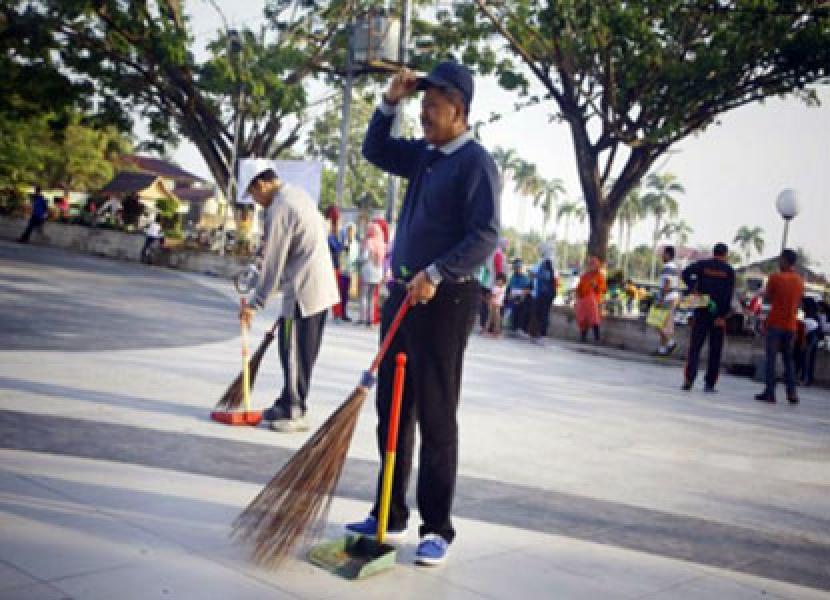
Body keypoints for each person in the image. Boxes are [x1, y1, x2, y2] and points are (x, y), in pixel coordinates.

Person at [345, 61, 499, 566]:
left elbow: (484, 236)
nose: (425, 116)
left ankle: (437, 528)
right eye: (423, 106)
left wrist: (436, 272)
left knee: (436, 414)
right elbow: (375, 150)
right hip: (403, 295)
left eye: (433, 107)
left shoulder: (474, 163)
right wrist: (391, 101)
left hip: (445, 300)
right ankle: (387, 511)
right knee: (392, 410)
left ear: (459, 111)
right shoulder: (425, 156)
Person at [237, 160, 340, 431]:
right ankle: (287, 401)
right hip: (319, 289)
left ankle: (294, 410)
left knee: (292, 352)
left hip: (304, 293)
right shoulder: (296, 194)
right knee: (300, 352)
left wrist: (255, 304)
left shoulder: (279, 208)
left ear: (262, 184)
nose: (256, 202)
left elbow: (274, 263)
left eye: (254, 195)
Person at [681, 243, 736, 392]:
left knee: (695, 348)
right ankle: (709, 384)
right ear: (725, 254)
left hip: (701, 309)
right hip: (718, 315)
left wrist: (694, 288)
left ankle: (689, 380)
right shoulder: (729, 271)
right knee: (715, 351)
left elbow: (685, 273)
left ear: (714, 252)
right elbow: (728, 295)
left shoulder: (702, 265)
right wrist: (722, 316)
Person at [755, 249, 804, 404]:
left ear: (784, 261)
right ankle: (792, 393)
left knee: (771, 359)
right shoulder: (799, 281)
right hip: (791, 325)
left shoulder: (776, 277)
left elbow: (769, 296)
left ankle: (770, 392)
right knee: (788, 361)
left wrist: (762, 293)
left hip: (776, 323)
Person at [574, 256, 607, 343]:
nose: (592, 266)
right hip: (584, 301)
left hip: (595, 302)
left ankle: (597, 338)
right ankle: (583, 337)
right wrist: (577, 297)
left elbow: (603, 290)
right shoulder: (585, 276)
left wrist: (596, 286)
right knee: (583, 320)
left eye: (594, 264)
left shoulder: (600, 276)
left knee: (595, 320)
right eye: (591, 264)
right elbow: (579, 288)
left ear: (597, 266)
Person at [655, 246, 680, 355]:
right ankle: (662, 349)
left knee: (657, 322)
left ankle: (670, 343)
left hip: (668, 297)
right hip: (671, 297)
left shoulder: (668, 267)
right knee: (663, 324)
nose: (662, 255)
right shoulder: (673, 266)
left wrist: (661, 298)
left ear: (669, 255)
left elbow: (667, 283)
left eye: (664, 253)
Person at [359, 222, 385, 326]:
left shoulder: (368, 242)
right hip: (377, 271)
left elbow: (364, 257)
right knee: (372, 297)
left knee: (364, 295)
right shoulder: (381, 242)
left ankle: (363, 318)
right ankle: (370, 319)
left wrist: (359, 259)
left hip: (368, 270)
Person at [505, 258, 533, 334]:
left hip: (521, 299)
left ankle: (520, 327)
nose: (517, 269)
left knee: (523, 305)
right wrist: (509, 296)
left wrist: (519, 296)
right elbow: (509, 290)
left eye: (518, 267)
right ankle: (512, 325)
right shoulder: (512, 277)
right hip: (512, 298)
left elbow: (528, 291)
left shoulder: (526, 278)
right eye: (515, 267)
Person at [533, 256, 557, 341]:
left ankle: (543, 333)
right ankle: (539, 332)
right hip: (541, 294)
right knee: (539, 313)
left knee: (544, 314)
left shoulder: (547, 265)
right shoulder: (543, 264)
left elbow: (546, 277)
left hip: (546, 295)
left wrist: (537, 275)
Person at [487, 272, 507, 336]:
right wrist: (490, 302)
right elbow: (493, 296)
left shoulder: (503, 287)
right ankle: (489, 329)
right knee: (491, 317)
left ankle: (496, 330)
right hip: (493, 303)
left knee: (497, 317)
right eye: (497, 280)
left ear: (503, 281)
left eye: (500, 281)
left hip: (498, 304)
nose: (498, 282)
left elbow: (502, 296)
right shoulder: (495, 288)